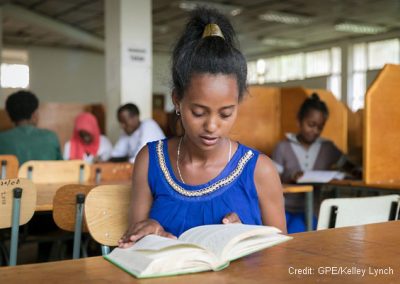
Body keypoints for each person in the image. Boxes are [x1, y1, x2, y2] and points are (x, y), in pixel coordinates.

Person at [118, 7, 286, 248]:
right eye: (198, 112)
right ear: (177, 100)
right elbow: (132, 245)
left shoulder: (260, 170)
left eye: (226, 113)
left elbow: (280, 256)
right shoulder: (151, 161)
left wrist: (248, 238)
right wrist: (149, 232)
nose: (212, 126)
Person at [272, 93, 359, 233]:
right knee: (278, 234)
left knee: (299, 234)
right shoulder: (283, 147)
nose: (315, 131)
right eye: (311, 125)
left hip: (311, 210)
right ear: (299, 121)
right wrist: (291, 177)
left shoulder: (327, 148)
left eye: (320, 127)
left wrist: (353, 173)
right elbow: (271, 182)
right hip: (283, 208)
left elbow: (348, 165)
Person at [0, 90, 62, 164]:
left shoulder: (2, 139)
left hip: (12, 176)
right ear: (34, 114)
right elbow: (61, 166)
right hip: (44, 175)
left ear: (9, 115)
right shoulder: (51, 137)